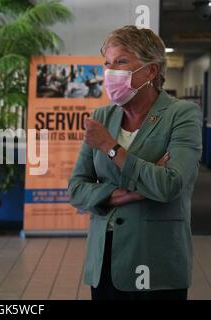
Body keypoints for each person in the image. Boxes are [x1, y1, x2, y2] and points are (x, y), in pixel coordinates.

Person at [68, 25, 202, 300]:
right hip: (104, 259)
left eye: (121, 61)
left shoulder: (181, 115)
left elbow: (170, 185)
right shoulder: (102, 116)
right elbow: (76, 189)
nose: (109, 72)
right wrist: (136, 191)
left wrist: (110, 147)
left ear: (151, 71)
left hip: (156, 259)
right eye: (107, 63)